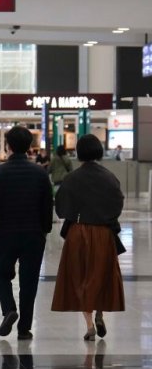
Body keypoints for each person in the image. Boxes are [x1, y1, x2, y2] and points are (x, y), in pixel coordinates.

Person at [0, 126, 53, 341]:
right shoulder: (40, 173)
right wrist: (45, 229)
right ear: (29, 146)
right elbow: (48, 204)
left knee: (2, 275)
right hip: (33, 235)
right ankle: (24, 328)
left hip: (7, 234)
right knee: (29, 281)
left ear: (8, 146)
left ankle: (9, 309)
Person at [52, 134, 125, 340]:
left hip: (78, 232)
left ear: (79, 152)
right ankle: (100, 314)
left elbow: (61, 207)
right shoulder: (110, 177)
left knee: (80, 277)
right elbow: (117, 202)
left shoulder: (72, 178)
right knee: (100, 275)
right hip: (103, 232)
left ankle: (89, 325)